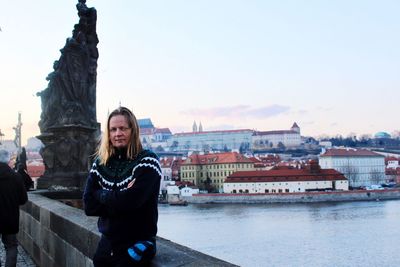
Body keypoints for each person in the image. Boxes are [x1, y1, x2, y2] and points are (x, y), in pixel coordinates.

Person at [83, 107, 162, 266]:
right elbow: (88, 206)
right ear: (108, 133)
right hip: (105, 247)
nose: (117, 133)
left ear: (133, 130)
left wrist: (101, 194)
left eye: (123, 128)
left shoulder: (147, 161)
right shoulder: (100, 164)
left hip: (135, 247)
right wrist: (121, 197)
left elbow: (132, 202)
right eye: (113, 129)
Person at [0, 149, 28, 267]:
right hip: (10, 218)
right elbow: (23, 199)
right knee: (11, 246)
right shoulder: (16, 177)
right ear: (8, 161)